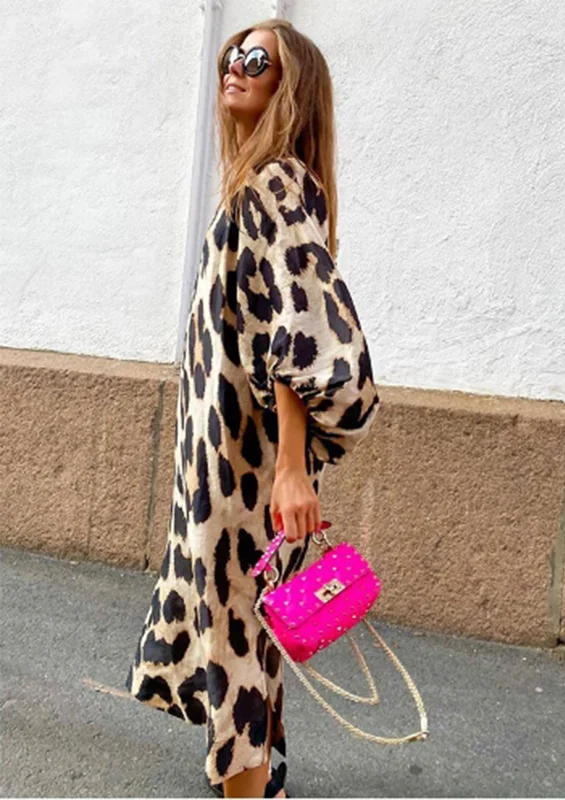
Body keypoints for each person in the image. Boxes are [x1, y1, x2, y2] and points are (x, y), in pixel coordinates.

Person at [124, 18, 381, 798]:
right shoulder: (259, 182)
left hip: (246, 466)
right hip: (225, 457)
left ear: (289, 86)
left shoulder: (275, 184)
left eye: (256, 59)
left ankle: (249, 786)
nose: (234, 66)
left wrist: (291, 471)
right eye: (232, 54)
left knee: (232, 637)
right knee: (247, 630)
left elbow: (297, 334)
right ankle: (260, 781)